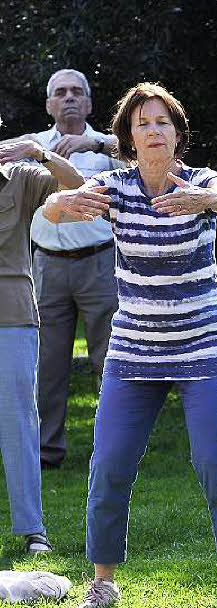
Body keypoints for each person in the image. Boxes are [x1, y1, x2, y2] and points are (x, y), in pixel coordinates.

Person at [41, 82, 217, 608]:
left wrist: (209, 198)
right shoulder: (114, 187)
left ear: (177, 134)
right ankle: (103, 579)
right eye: (143, 124)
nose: (153, 130)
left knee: (212, 458)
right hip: (134, 352)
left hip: (206, 347)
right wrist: (60, 201)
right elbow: (50, 212)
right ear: (130, 138)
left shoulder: (201, 183)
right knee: (110, 462)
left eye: (162, 121)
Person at [28, 69, 122, 469]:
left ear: (88, 102)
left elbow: (144, 153)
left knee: (110, 360)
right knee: (47, 364)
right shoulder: (34, 148)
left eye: (76, 92)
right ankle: (47, 452)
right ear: (49, 103)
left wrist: (96, 140)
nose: (68, 98)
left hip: (100, 263)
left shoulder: (106, 147)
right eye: (60, 92)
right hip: (47, 266)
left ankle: (113, 449)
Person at [0, 117, 83, 555]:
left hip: (11, 312)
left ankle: (33, 530)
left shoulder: (22, 176)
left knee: (18, 420)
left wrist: (39, 152)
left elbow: (76, 184)